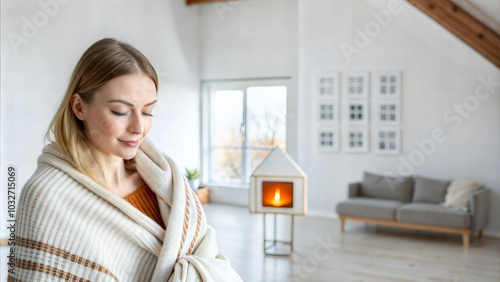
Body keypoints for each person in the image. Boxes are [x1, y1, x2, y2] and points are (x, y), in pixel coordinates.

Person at [9, 38, 242, 282]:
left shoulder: (168, 182)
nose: (139, 127)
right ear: (79, 107)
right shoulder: (45, 195)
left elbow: (207, 259)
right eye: (121, 111)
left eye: (147, 111)